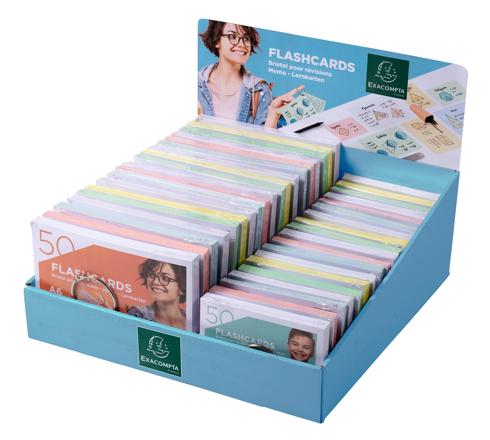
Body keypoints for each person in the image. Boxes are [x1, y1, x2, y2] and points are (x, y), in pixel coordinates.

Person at [198, 20, 304, 128]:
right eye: (233, 36)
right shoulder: (197, 84)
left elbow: (263, 138)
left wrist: (273, 114)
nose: (241, 44)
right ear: (217, 41)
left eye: (246, 39)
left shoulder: (260, 90)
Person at [128, 259, 187, 330]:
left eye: (165, 278)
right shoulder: (138, 314)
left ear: (182, 287)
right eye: (152, 275)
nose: (155, 282)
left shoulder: (193, 318)